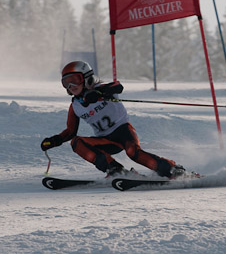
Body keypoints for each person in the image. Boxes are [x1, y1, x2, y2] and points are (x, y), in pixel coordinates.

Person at [41, 60, 187, 179]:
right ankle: (117, 171)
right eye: (66, 83)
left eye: (75, 80)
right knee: (77, 142)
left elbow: (118, 86)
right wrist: (54, 140)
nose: (71, 86)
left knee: (132, 153)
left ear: (87, 77)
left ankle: (173, 170)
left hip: (123, 132)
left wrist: (99, 92)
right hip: (106, 140)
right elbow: (70, 131)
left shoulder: (102, 87)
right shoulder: (75, 106)